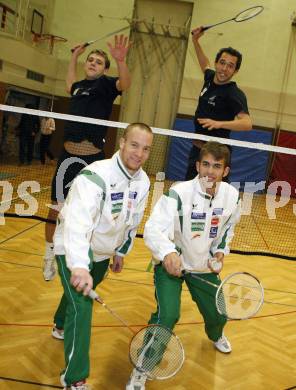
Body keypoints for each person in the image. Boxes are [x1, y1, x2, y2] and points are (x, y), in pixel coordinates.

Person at [126, 141, 241, 390]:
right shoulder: (178, 193)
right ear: (198, 165)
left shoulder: (232, 197)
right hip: (172, 266)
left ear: (226, 171)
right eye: (206, 164)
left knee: (218, 312)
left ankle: (215, 334)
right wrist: (168, 253)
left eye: (217, 166)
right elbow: (153, 228)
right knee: (167, 315)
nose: (210, 171)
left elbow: (227, 230)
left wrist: (220, 251)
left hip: (203, 267)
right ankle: (143, 368)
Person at [52, 123, 153, 390]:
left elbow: (133, 220)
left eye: (145, 149)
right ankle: (74, 378)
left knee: (77, 298)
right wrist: (79, 265)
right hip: (74, 247)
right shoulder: (94, 176)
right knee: (82, 307)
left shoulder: (143, 181)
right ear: (121, 143)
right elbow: (77, 224)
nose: (139, 154)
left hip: (103, 253)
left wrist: (121, 251)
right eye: (134, 145)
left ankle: (59, 323)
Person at [43, 34, 131, 281]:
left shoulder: (105, 86)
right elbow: (68, 83)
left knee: (92, 212)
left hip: (92, 161)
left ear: (104, 69)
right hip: (67, 158)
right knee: (55, 210)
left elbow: (125, 84)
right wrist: (73, 56)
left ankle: (86, 257)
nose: (92, 63)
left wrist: (121, 61)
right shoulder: (78, 87)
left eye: (98, 62)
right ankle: (49, 256)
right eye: (90, 60)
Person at [185, 27, 252, 180]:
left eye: (230, 66)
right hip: (197, 151)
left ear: (235, 71)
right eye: (222, 63)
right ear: (216, 63)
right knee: (189, 192)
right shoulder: (210, 77)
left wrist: (218, 124)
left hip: (217, 157)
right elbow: (204, 64)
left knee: (214, 197)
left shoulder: (233, 93)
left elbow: (247, 123)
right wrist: (195, 40)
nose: (224, 68)